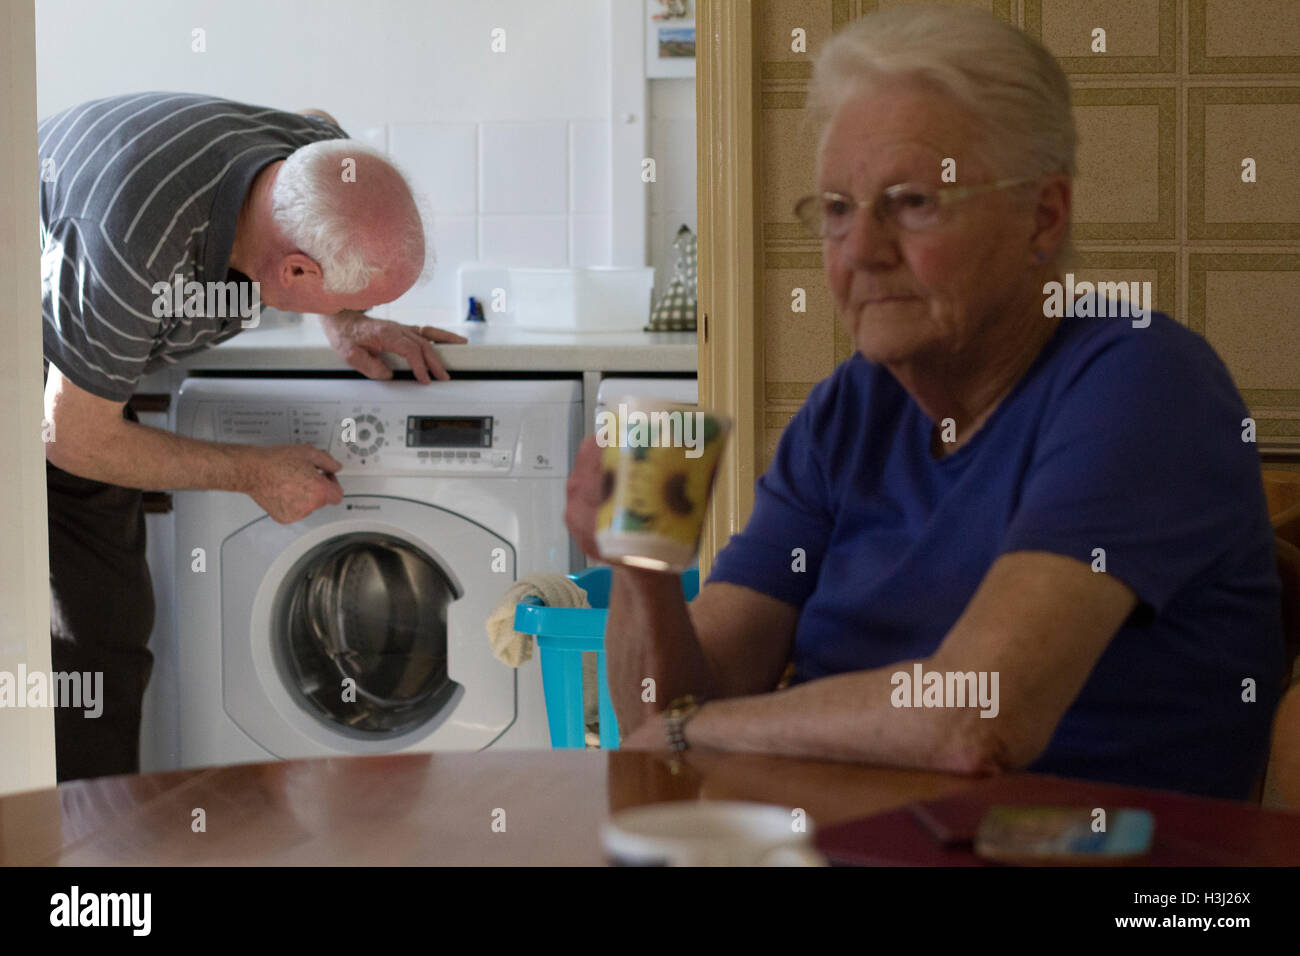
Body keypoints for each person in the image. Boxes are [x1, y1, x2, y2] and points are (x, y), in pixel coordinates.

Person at [565, 6, 1284, 800]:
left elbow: (975, 718)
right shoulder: (849, 414)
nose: (861, 251)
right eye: (836, 209)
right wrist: (641, 575)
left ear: (1043, 216)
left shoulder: (1142, 383)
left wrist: (699, 727)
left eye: (911, 201)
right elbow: (659, 727)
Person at [39, 92, 465, 780]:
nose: (375, 311)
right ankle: (81, 866)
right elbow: (72, 437)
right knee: (88, 647)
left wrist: (346, 319)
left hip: (85, 348)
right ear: (295, 272)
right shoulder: (129, 253)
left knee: (109, 636)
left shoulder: (315, 153)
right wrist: (252, 471)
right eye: (356, 296)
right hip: (36, 373)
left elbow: (322, 118)